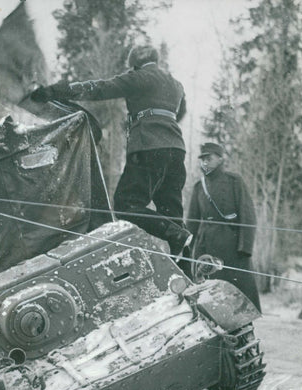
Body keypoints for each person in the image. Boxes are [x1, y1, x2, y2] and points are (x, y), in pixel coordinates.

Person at [30, 44, 191, 256]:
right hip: (176, 149)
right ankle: (186, 263)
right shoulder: (176, 85)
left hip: (148, 146)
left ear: (135, 64)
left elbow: (99, 88)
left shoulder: (139, 77)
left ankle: (175, 235)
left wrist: (53, 91)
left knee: (127, 204)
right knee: (171, 212)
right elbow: (181, 112)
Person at [186, 142, 261, 311]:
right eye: (202, 159)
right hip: (206, 250)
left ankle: (243, 325)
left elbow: (247, 214)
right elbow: (192, 222)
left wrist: (245, 248)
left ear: (220, 159)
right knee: (208, 296)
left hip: (233, 249)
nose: (204, 162)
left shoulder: (234, 181)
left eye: (209, 158)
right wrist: (187, 250)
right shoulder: (199, 187)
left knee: (238, 295)